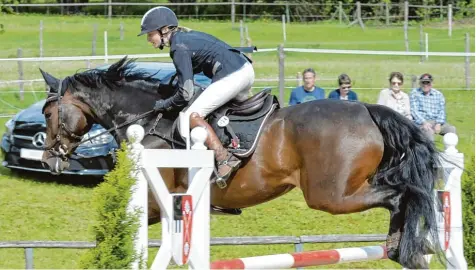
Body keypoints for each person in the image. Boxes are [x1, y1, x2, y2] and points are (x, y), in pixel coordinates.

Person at [138, 6, 255, 182]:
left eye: (150, 34)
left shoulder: (178, 47)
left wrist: (164, 105)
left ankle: (223, 158)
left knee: (190, 117)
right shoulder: (184, 38)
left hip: (233, 74)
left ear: (163, 30)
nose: (149, 39)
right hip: (244, 70)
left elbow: (186, 93)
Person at [409, 73, 456, 141]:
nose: (425, 85)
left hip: (435, 121)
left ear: (432, 83)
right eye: (423, 82)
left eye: (428, 82)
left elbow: (442, 111)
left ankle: (450, 151)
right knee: (428, 131)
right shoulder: (414, 93)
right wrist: (424, 122)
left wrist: (439, 123)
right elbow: (414, 111)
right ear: (420, 83)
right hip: (421, 123)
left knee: (451, 129)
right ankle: (431, 151)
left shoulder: (438, 94)